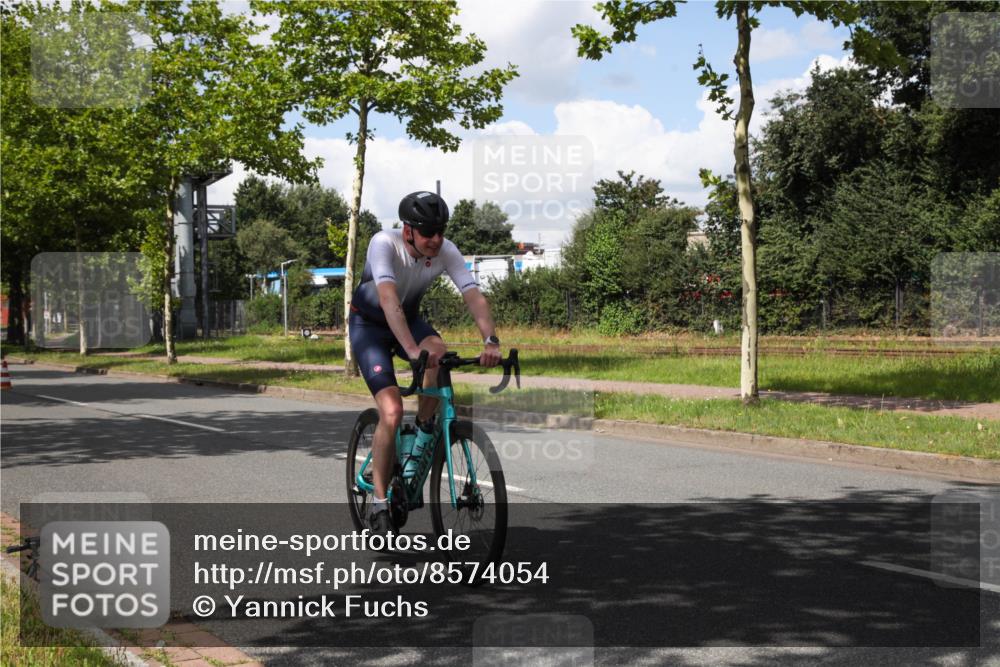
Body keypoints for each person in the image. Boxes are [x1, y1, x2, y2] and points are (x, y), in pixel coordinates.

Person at [349, 190, 503, 536]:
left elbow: (473, 296)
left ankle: (423, 430)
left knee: (438, 351)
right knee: (390, 410)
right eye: (428, 232)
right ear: (408, 232)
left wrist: (490, 340)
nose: (436, 239)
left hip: (409, 319)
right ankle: (378, 502)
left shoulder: (445, 250)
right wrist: (409, 349)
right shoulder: (383, 244)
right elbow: (388, 301)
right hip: (371, 327)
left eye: (441, 231)